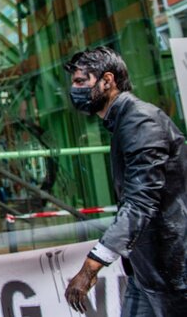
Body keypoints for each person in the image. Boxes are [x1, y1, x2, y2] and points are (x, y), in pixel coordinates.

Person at [63, 47, 187, 316]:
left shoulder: (140, 121)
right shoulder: (124, 122)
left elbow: (140, 202)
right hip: (148, 271)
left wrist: (91, 266)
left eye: (81, 81)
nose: (74, 89)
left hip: (172, 271)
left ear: (107, 81)